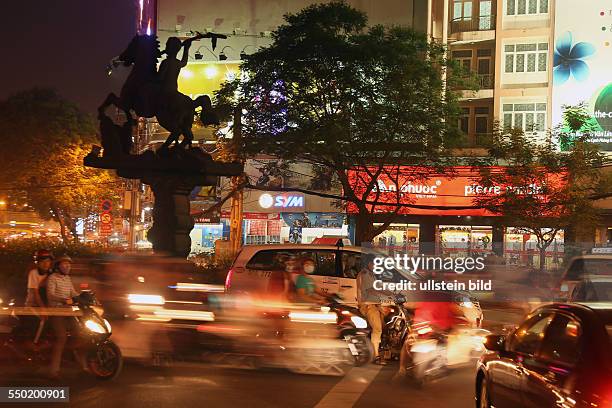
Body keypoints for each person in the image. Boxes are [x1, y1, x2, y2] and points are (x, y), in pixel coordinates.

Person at [46, 255, 80, 379]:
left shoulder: (67, 279)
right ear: (58, 266)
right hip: (56, 312)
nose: (68, 266)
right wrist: (65, 300)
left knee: (82, 333)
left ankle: (82, 365)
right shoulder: (52, 278)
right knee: (61, 338)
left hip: (68, 312)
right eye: (65, 264)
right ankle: (53, 371)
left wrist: (83, 297)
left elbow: (73, 293)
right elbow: (51, 295)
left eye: (69, 264)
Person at [357, 254, 388, 365]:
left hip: (375, 304)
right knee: (378, 329)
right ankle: (376, 356)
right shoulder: (364, 274)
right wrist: (388, 294)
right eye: (374, 263)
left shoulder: (371, 274)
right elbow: (371, 290)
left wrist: (391, 293)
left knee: (385, 325)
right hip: (368, 306)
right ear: (369, 263)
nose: (376, 266)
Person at [23, 250, 54, 343]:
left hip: (46, 304)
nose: (45, 264)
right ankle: (33, 344)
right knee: (41, 321)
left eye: (48, 261)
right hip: (32, 305)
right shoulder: (33, 273)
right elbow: (36, 294)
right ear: (37, 263)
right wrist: (43, 309)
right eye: (42, 262)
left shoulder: (51, 273)